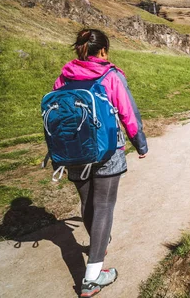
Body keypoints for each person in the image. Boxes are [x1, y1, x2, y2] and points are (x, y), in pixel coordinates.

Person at [53, 28, 148, 297]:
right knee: (104, 206)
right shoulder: (111, 75)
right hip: (107, 150)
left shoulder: (64, 76)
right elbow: (128, 112)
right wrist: (140, 144)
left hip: (73, 151)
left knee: (87, 203)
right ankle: (92, 278)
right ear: (103, 50)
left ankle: (98, 244)